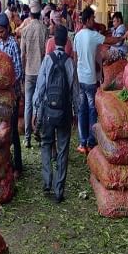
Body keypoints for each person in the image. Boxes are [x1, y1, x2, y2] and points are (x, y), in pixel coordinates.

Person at [32, 26, 79, 203]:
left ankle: (47, 180)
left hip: (48, 112)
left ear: (53, 42)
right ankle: (59, 190)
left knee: (46, 143)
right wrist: (76, 112)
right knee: (63, 149)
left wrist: (36, 111)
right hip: (65, 112)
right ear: (66, 42)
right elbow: (75, 91)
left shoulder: (47, 60)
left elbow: (40, 88)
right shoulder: (70, 62)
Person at [73, 6, 124, 154]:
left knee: (82, 110)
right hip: (90, 79)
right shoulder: (93, 35)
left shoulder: (77, 36)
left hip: (80, 77)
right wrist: (122, 37)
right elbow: (110, 40)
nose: (94, 21)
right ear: (88, 20)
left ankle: (82, 143)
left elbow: (75, 58)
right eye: (93, 19)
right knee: (92, 110)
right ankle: (91, 140)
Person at [0, 13, 23, 178]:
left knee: (12, 131)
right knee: (3, 131)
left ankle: (18, 166)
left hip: (13, 94)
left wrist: (8, 84)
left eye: (2, 32)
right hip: (3, 95)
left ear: (8, 29)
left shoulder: (13, 44)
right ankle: (7, 162)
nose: (0, 35)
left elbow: (18, 71)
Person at [21, 0, 49, 148]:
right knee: (40, 104)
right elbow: (46, 52)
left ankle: (27, 138)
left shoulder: (25, 30)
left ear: (30, 14)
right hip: (41, 72)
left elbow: (22, 54)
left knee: (28, 105)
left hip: (29, 72)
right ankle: (39, 131)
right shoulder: (45, 29)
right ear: (39, 14)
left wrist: (23, 72)